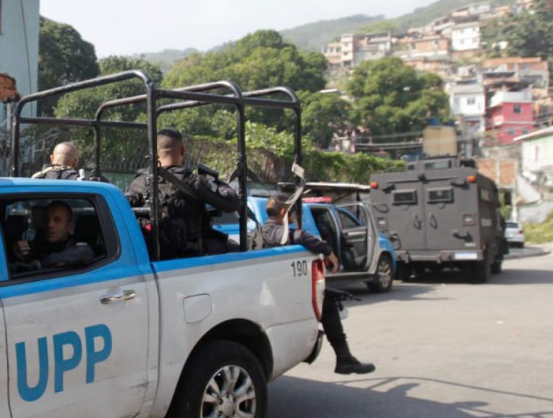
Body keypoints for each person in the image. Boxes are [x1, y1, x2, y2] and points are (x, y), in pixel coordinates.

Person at [262, 191, 375, 375]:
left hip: (281, 288)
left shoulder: (264, 228)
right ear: (283, 212)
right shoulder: (272, 230)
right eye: (292, 212)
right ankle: (344, 358)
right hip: (280, 293)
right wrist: (328, 252)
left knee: (328, 300)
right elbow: (298, 237)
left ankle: (345, 358)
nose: (294, 215)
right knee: (328, 305)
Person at [125, 128, 241, 258]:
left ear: (155, 152)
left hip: (147, 256)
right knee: (234, 249)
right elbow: (232, 203)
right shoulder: (193, 181)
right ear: (182, 150)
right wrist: (214, 181)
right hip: (187, 258)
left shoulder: (138, 181)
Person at [12, 200, 94, 270]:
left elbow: (85, 253)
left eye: (57, 220)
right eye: (47, 219)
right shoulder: (38, 244)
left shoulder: (76, 248)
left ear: (69, 226)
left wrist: (43, 263)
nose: (49, 225)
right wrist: (19, 254)